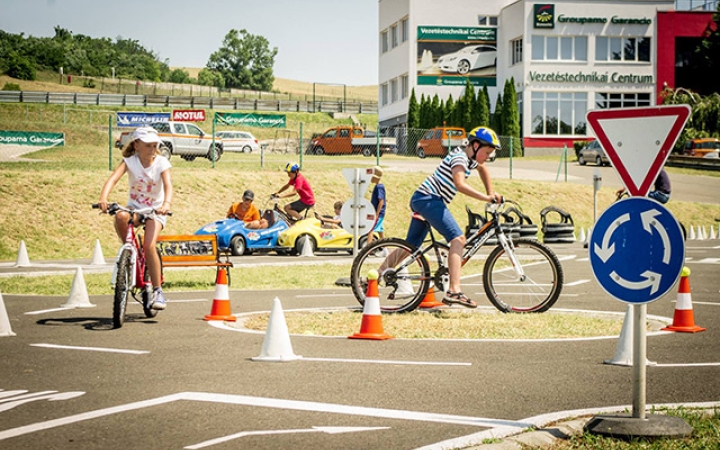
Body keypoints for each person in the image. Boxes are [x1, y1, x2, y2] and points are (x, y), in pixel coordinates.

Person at [404, 126, 502, 308]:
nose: (488, 156)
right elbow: (460, 184)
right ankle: (454, 291)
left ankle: (374, 277)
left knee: (410, 247)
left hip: (423, 199)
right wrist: (485, 197)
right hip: (429, 199)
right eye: (487, 152)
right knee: (458, 239)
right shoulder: (460, 158)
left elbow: (482, 169)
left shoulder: (471, 159)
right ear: (475, 146)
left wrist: (491, 192)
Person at [98, 127, 173, 310]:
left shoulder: (161, 162)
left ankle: (157, 291)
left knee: (149, 246)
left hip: (155, 211)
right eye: (148, 145)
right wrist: (104, 198)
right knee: (121, 216)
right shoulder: (129, 162)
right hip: (135, 209)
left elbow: (168, 186)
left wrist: (166, 204)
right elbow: (113, 179)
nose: (152, 149)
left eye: (155, 145)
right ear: (137, 145)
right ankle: (130, 253)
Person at [367, 166, 387, 245]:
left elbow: (381, 201)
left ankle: (367, 249)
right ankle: (385, 249)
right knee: (380, 231)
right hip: (378, 212)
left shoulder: (379, 187)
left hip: (378, 212)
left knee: (371, 229)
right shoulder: (378, 186)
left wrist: (376, 213)